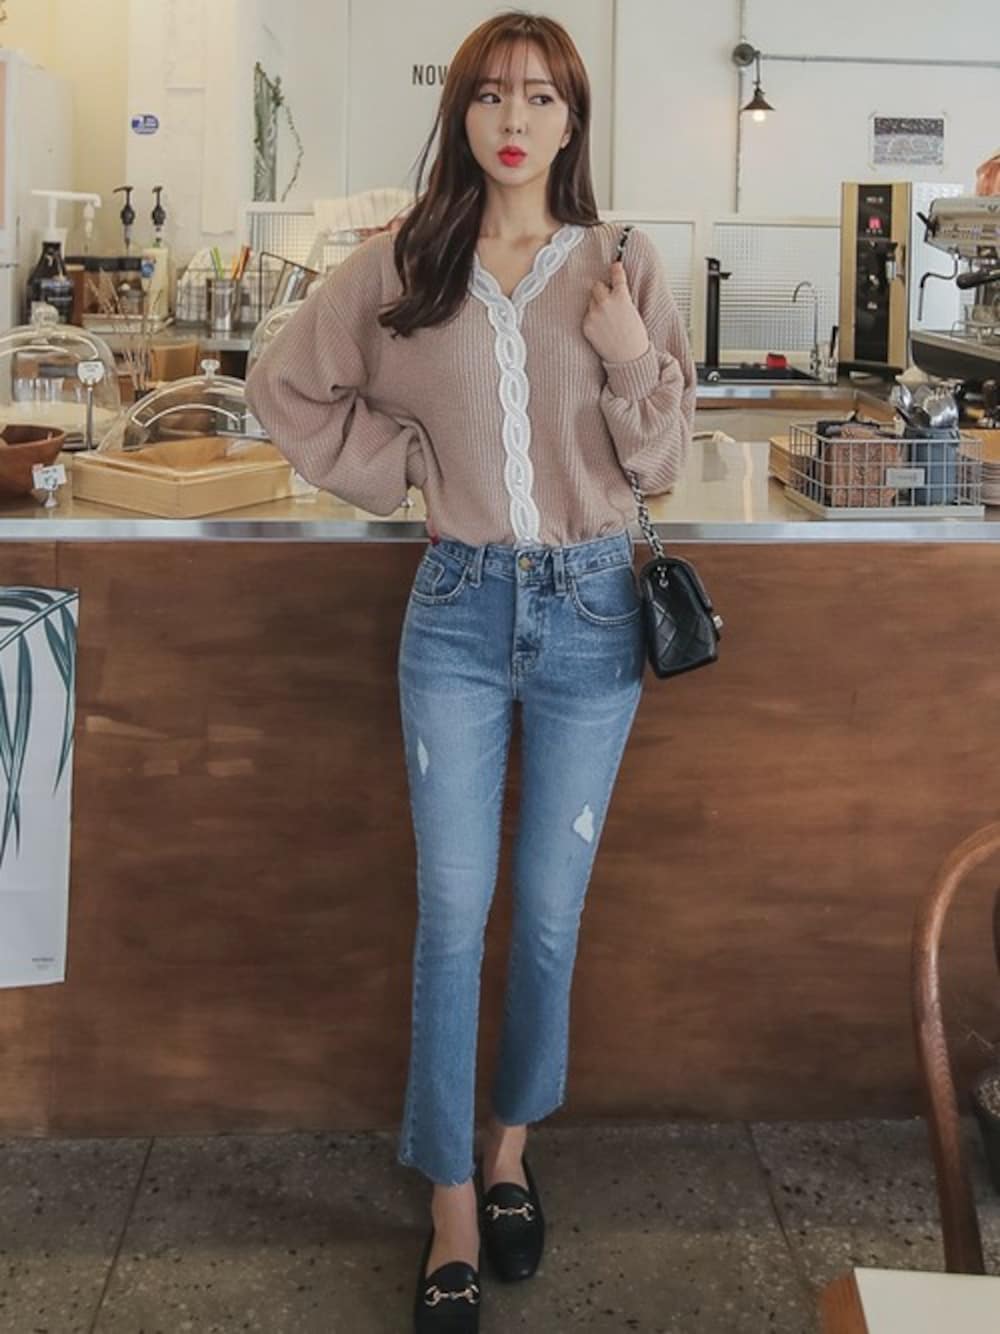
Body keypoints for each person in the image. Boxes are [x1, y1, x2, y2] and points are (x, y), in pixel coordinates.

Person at [245, 10, 695, 1331]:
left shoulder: (622, 263)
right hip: (454, 611)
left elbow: (662, 461)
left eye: (542, 97)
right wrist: (406, 471)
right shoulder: (404, 260)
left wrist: (627, 354)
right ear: (461, 113)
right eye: (492, 94)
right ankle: (449, 1197)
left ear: (572, 120)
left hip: (593, 614)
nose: (515, 118)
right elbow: (285, 389)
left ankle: (510, 1152)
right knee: (454, 912)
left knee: (548, 912)